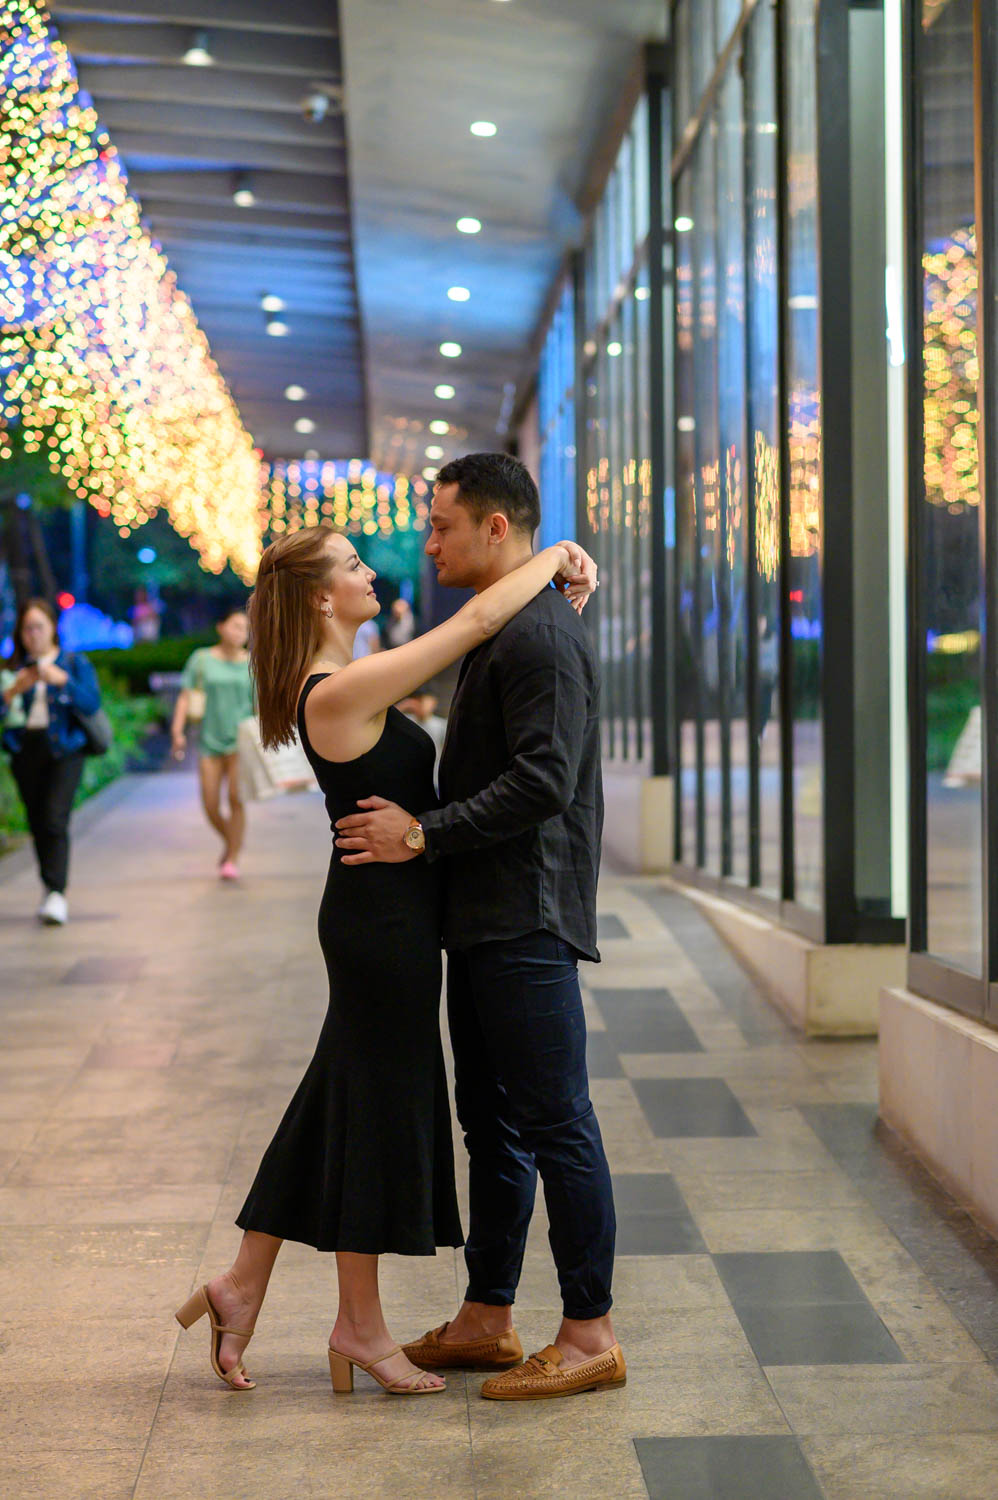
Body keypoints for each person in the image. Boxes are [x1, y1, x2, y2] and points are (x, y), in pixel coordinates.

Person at [174, 521, 596, 1398]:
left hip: (390, 916)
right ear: (321, 598)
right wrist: (554, 557)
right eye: (354, 564)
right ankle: (357, 1326)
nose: (374, 572)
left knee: (340, 1092)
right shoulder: (335, 689)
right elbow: (474, 625)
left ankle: (242, 1283)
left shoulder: (346, 680)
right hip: (380, 926)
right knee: (371, 1104)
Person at [333, 452, 624, 1401]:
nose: (429, 543)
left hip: (525, 918)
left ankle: (589, 1334)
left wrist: (423, 833)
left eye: (442, 525)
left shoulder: (538, 635)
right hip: (487, 916)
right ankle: (487, 1318)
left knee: (557, 1123)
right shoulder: (509, 624)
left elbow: (544, 781)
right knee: (493, 1127)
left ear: (496, 528)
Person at [0, 597, 102, 926]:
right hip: (25, 749)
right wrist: (13, 690)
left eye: (39, 627)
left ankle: (57, 892)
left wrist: (63, 681)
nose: (33, 634)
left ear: (52, 628)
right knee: (37, 822)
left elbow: (92, 704)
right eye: (27, 629)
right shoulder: (12, 669)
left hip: (66, 750)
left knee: (55, 818)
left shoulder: (73, 662)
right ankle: (49, 887)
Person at [171, 607, 253, 880]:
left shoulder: (252, 663)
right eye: (235, 626)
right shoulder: (202, 659)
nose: (240, 633)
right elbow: (186, 696)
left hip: (241, 740)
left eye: (245, 628)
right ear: (220, 626)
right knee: (210, 804)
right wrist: (177, 731)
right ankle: (232, 841)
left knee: (236, 798)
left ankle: (232, 858)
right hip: (209, 740)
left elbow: (260, 704)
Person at [398, 685, 446, 781]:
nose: (419, 704)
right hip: (408, 775)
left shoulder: (441, 725)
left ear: (433, 703)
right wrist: (402, 706)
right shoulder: (405, 721)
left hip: (434, 776)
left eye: (422, 700)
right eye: (416, 700)